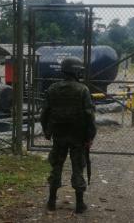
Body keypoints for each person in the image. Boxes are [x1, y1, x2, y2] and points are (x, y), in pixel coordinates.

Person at [40, 56, 96, 214]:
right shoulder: (83, 89)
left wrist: (46, 131)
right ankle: (79, 204)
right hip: (78, 137)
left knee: (56, 166)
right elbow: (89, 115)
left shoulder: (52, 89)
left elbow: (45, 113)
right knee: (78, 167)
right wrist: (90, 136)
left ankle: (51, 201)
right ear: (76, 71)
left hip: (59, 135)